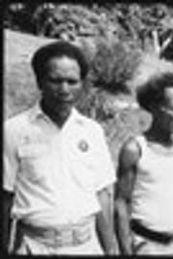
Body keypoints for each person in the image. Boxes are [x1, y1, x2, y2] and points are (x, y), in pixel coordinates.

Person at [3, 41, 118, 255]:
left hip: (86, 245)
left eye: (72, 81)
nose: (64, 90)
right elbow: (5, 196)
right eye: (55, 81)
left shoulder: (92, 131)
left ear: (82, 84)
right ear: (39, 81)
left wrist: (110, 248)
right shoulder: (14, 130)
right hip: (34, 246)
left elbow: (102, 194)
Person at [114, 72, 173, 255]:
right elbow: (121, 202)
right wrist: (126, 250)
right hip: (148, 246)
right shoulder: (135, 150)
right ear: (154, 108)